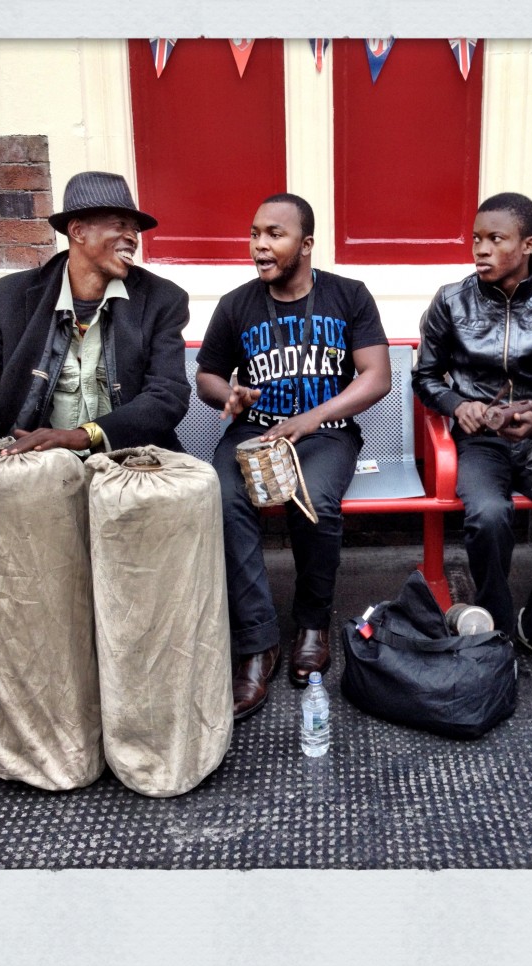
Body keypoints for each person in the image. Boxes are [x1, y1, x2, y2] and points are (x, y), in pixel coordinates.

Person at [196, 193, 391, 718]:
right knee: (223, 499)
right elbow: (207, 375)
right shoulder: (236, 304)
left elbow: (378, 376)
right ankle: (258, 642)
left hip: (326, 433)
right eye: (255, 232)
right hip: (254, 434)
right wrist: (226, 396)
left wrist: (312, 417)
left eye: (275, 234)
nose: (260, 244)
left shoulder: (349, 295)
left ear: (305, 244)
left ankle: (311, 624)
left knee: (314, 501)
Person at [412, 192, 532, 676]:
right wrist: (460, 406)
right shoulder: (452, 300)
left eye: (494, 240)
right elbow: (426, 376)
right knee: (488, 513)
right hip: (481, 440)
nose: (479, 249)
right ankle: (498, 629)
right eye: (476, 239)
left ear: (527, 244)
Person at [0, 171, 191, 454]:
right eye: (120, 225)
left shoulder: (163, 299)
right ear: (78, 231)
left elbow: (168, 395)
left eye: (135, 230)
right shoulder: (5, 298)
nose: (132, 237)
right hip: (34, 461)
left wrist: (84, 435)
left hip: (130, 458)